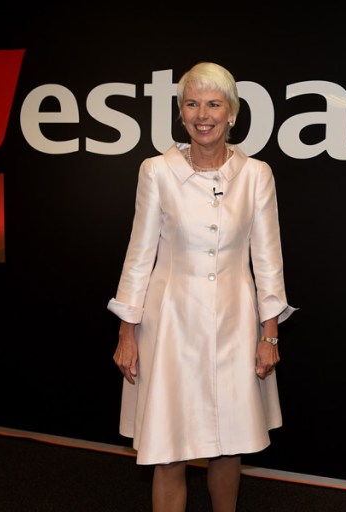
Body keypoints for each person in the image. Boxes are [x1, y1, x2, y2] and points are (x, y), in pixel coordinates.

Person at [107, 61, 296, 512]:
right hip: (168, 326)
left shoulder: (256, 175)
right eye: (192, 104)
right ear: (181, 112)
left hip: (235, 325)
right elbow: (139, 255)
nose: (203, 115)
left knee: (229, 445)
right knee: (168, 449)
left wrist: (269, 334)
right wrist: (126, 331)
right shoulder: (156, 171)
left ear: (232, 113)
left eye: (213, 104)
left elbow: (268, 260)